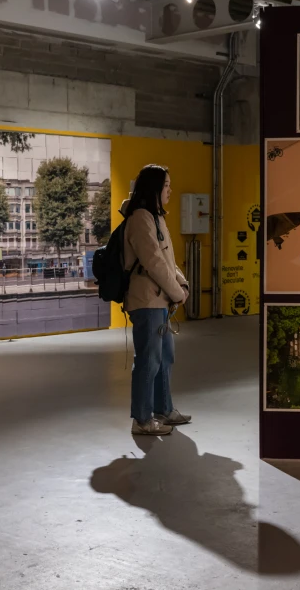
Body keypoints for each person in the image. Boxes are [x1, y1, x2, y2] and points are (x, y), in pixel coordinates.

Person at [122, 164, 191, 436]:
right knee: (149, 361)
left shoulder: (156, 217)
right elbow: (153, 263)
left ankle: (164, 410)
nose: (170, 191)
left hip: (160, 302)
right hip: (146, 301)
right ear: (153, 188)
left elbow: (167, 261)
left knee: (165, 357)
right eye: (166, 186)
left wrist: (181, 282)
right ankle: (141, 419)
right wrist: (177, 292)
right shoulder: (140, 218)